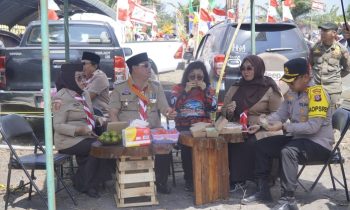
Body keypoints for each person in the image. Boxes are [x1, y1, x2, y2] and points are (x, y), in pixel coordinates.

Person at [241, 58, 334, 210]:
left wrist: (285, 127)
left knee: (288, 151)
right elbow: (280, 114)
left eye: (292, 81)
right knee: (261, 145)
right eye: (288, 81)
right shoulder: (292, 92)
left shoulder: (318, 94)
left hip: (319, 144)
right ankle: (263, 190)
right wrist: (261, 125)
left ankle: (288, 199)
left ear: (305, 77)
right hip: (298, 139)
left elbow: (313, 127)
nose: (289, 85)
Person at [109, 52, 177, 194]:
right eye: (145, 66)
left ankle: (161, 181)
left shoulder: (155, 87)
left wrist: (169, 112)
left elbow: (164, 108)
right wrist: (118, 132)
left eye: (150, 65)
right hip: (131, 132)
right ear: (134, 68)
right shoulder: (120, 88)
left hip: (152, 131)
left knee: (164, 145)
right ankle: (134, 183)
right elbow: (113, 113)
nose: (149, 68)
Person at [221, 55, 282, 192]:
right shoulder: (236, 87)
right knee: (229, 141)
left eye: (249, 68)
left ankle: (256, 178)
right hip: (238, 126)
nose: (245, 71)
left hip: (263, 127)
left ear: (258, 69)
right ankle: (236, 179)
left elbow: (278, 114)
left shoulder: (269, 88)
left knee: (249, 143)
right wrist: (229, 111)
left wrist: (261, 124)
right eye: (243, 68)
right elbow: (224, 112)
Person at [53, 63, 114, 198]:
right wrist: (78, 130)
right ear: (69, 78)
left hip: (86, 135)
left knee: (104, 143)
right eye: (79, 78)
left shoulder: (84, 94)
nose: (84, 81)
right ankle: (84, 184)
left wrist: (100, 119)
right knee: (95, 147)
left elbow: (89, 115)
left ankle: (92, 181)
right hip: (67, 140)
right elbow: (57, 125)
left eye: (84, 77)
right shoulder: (61, 97)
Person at [170, 61, 217, 191]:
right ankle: (189, 179)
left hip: (203, 125)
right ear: (187, 77)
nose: (196, 80)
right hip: (184, 125)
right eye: (192, 77)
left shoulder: (208, 89)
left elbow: (213, 108)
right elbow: (174, 106)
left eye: (199, 77)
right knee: (187, 144)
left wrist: (205, 92)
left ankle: (206, 176)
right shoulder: (178, 88)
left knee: (209, 144)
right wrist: (185, 92)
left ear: (204, 78)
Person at [309, 22, 350, 110]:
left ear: (334, 33)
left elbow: (347, 69)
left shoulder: (342, 50)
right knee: (316, 116)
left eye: (325, 30)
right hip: (316, 88)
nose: (322, 32)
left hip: (333, 90)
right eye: (321, 30)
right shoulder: (314, 47)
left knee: (332, 118)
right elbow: (311, 64)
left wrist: (335, 76)